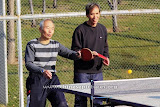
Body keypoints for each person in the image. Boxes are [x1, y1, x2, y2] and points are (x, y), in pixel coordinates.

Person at [25, 19, 80, 107]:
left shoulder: (56, 44)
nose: (50, 31)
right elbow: (28, 64)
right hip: (36, 79)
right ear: (40, 29)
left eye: (52, 28)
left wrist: (79, 54)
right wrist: (42, 71)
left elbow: (70, 54)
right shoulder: (31, 44)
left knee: (62, 104)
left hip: (52, 78)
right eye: (47, 28)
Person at [71, 3, 110, 107]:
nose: (95, 17)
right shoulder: (80, 30)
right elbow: (75, 51)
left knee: (98, 102)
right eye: (92, 14)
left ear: (100, 14)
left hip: (98, 72)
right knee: (80, 102)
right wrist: (86, 55)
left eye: (97, 13)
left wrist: (106, 58)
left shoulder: (102, 29)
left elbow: (105, 47)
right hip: (82, 73)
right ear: (87, 15)